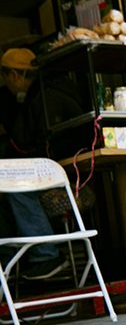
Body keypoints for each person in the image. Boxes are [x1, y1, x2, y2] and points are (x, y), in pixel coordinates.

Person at [0, 47, 84, 280]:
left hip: (64, 179)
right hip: (69, 174)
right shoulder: (56, 89)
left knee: (15, 188)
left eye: (5, 77)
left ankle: (46, 255)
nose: (6, 84)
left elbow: (36, 146)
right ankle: (10, 264)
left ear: (15, 75)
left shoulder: (43, 99)